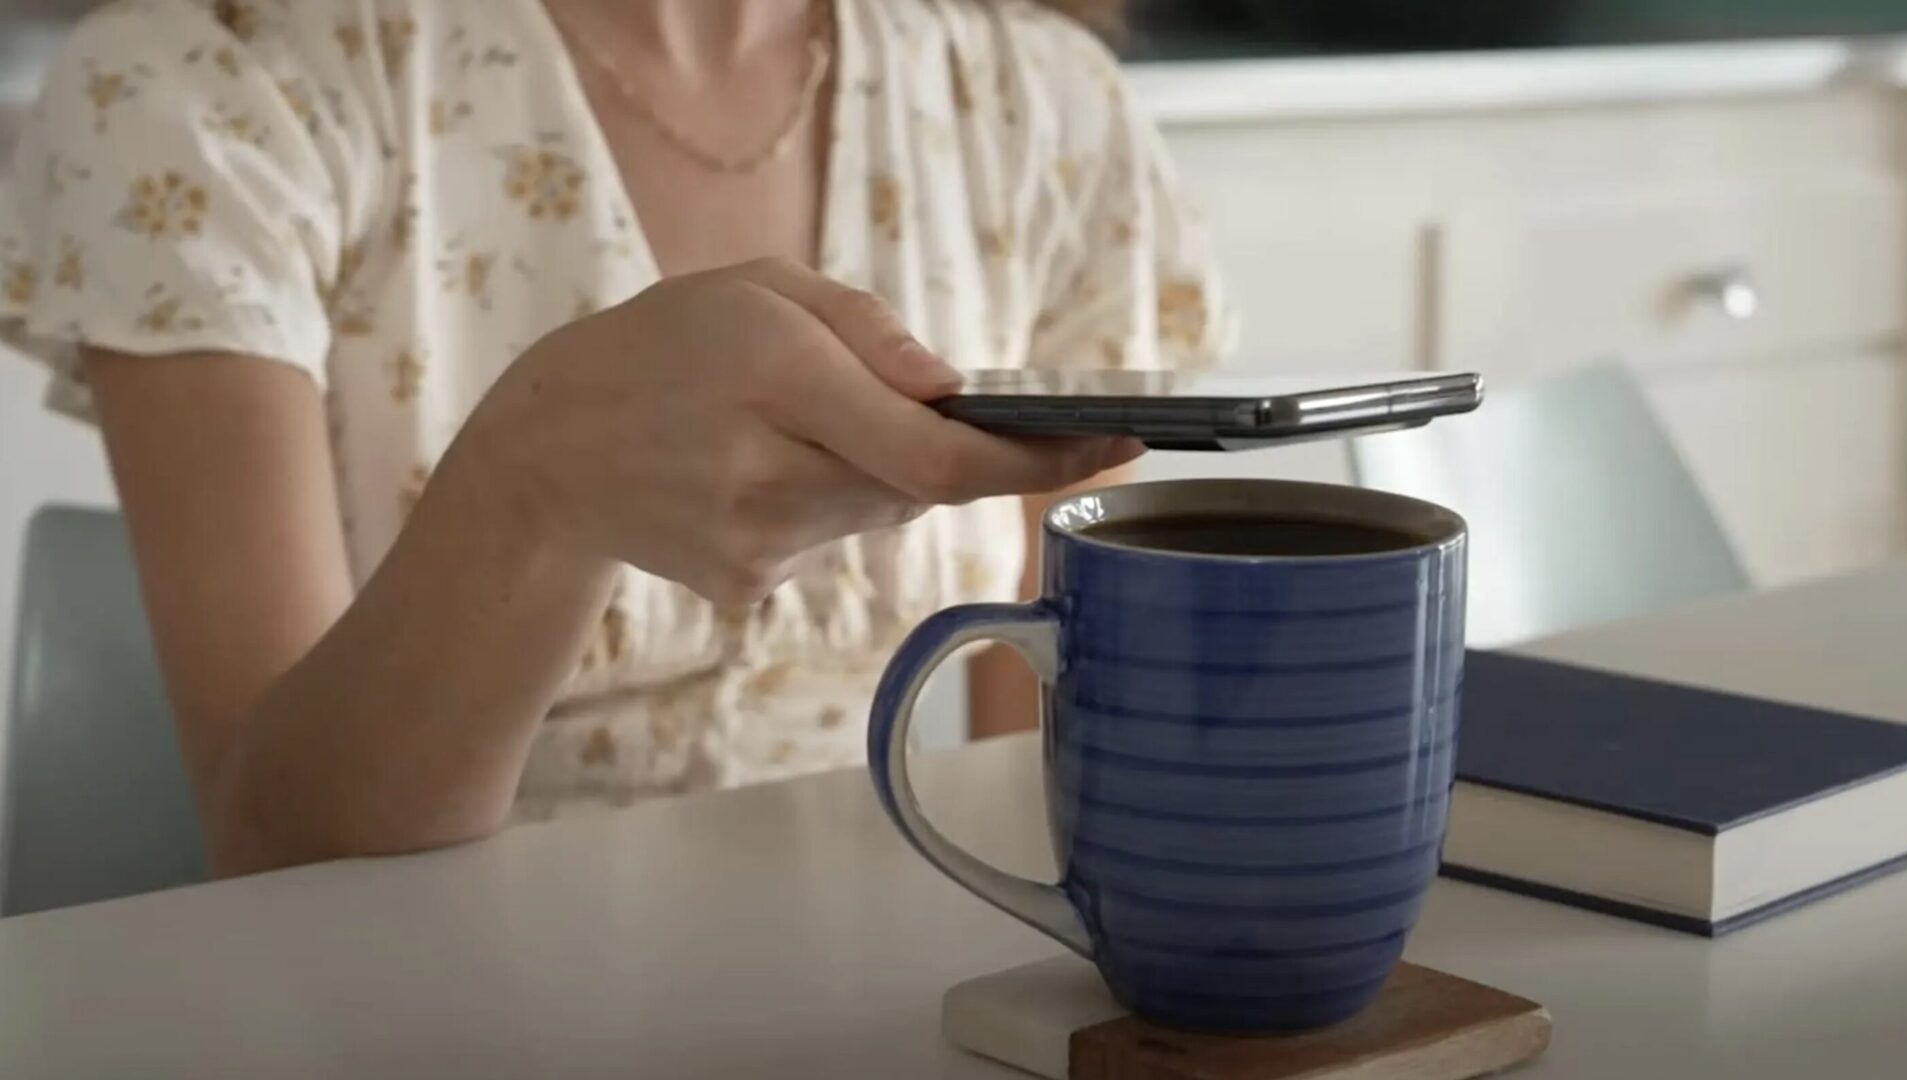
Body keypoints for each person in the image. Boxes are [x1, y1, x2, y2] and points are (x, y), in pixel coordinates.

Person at [0, 0, 1231, 874]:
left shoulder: (1039, 107)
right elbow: (274, 849)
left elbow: (1057, 789)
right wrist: (532, 490)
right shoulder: (207, 88)